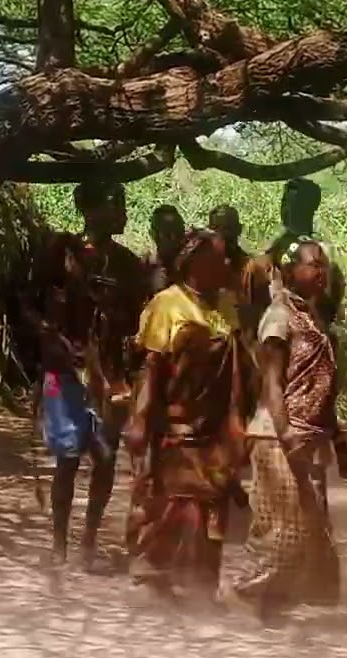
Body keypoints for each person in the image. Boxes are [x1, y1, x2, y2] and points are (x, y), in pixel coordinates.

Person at [222, 239, 347, 620]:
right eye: (313, 265)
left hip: (306, 438)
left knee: (310, 530)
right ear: (290, 270)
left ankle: (279, 605)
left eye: (324, 265)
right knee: (281, 533)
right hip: (280, 437)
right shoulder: (278, 317)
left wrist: (339, 440)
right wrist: (287, 433)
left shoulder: (311, 317)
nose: (321, 272)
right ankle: (242, 596)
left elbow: (322, 388)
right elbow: (272, 383)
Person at [20, 180, 147, 568]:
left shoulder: (128, 264)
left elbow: (138, 317)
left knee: (105, 458)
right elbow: (25, 299)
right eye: (116, 204)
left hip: (111, 375)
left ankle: (88, 540)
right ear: (91, 210)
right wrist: (46, 332)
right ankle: (59, 544)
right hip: (65, 371)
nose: (123, 213)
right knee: (69, 459)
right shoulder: (60, 252)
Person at [125, 228, 250, 600]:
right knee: (172, 504)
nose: (227, 263)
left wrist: (239, 422)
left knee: (214, 505)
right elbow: (152, 370)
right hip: (177, 426)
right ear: (196, 261)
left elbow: (239, 371)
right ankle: (155, 579)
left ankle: (203, 588)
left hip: (216, 428)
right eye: (219, 257)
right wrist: (141, 421)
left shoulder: (228, 305)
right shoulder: (167, 305)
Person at [240, 178, 346, 328]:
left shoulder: (327, 256)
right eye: (284, 203)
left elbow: (332, 308)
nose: (287, 210)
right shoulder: (264, 261)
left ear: (311, 208)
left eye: (296, 204)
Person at [208, 204, 250, 293]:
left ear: (239, 229)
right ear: (209, 230)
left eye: (229, 228)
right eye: (218, 229)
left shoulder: (249, 267)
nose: (224, 234)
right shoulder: (199, 264)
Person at [146, 204, 186, 295]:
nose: (174, 238)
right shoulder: (143, 268)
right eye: (167, 234)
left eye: (178, 232)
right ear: (153, 234)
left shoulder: (193, 265)